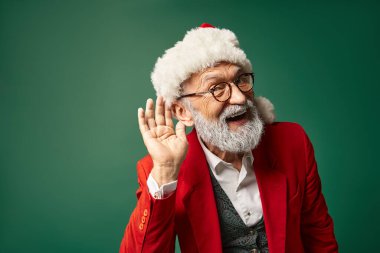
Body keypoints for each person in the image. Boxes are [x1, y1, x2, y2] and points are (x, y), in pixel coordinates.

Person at [119, 23, 338, 253]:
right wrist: (165, 173)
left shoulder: (292, 142)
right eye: (217, 88)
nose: (240, 98)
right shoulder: (163, 172)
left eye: (241, 80)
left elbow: (318, 236)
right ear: (184, 112)